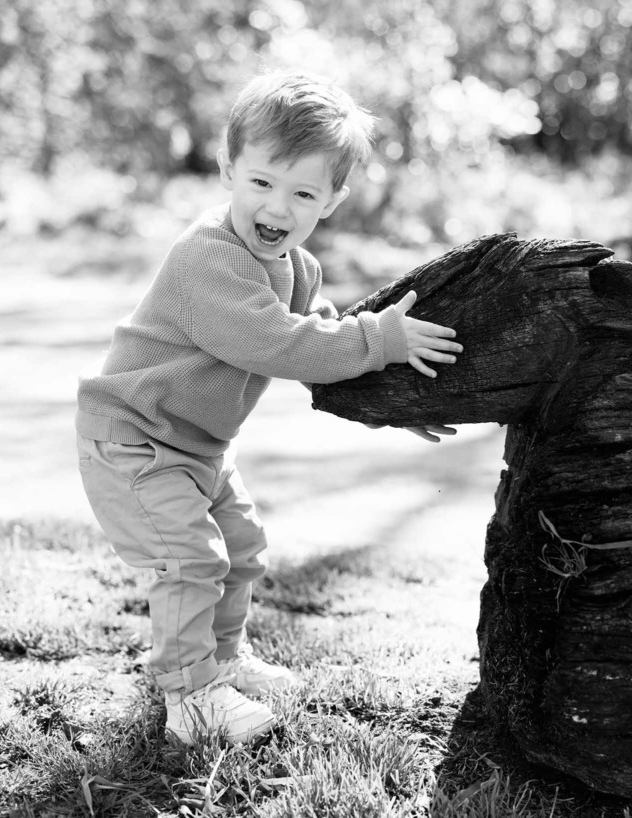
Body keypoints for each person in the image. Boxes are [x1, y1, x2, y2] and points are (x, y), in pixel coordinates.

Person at [75, 70, 461, 745]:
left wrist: (394, 396)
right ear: (228, 169)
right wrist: (379, 340)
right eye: (261, 183)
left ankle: (222, 659)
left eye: (302, 192)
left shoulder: (299, 270)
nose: (276, 206)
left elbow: (323, 352)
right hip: (134, 439)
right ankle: (192, 700)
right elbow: (283, 344)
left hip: (197, 446)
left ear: (332, 200)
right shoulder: (207, 261)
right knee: (190, 560)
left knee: (242, 547)